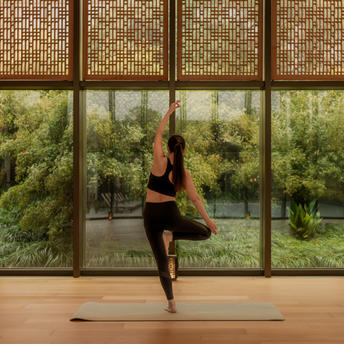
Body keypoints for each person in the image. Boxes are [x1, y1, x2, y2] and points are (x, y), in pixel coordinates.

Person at [143, 100, 218, 313]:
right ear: (184, 150)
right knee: (205, 233)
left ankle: (171, 304)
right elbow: (196, 200)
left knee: (161, 261)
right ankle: (171, 236)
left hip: (150, 215)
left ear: (168, 149)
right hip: (170, 215)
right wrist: (208, 221)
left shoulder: (159, 160)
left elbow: (157, 135)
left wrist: (169, 111)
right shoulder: (184, 174)